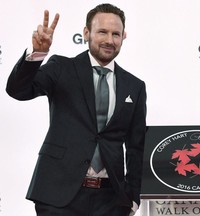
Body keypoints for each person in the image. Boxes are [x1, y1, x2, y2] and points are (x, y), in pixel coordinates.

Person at [6, 3, 147, 216]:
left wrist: (133, 198)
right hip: (58, 197)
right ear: (86, 33)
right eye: (102, 32)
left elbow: (137, 148)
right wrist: (37, 53)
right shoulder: (61, 68)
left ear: (123, 37)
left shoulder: (134, 86)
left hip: (111, 201)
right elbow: (18, 90)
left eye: (116, 34)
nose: (109, 40)